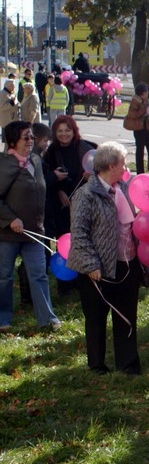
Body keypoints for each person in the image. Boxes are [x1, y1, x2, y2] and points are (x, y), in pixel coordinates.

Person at [67, 142, 142, 374]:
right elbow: (79, 232)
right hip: (97, 268)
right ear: (111, 165)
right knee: (96, 317)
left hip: (127, 263)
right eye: (123, 163)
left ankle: (128, 364)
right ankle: (97, 365)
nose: (126, 167)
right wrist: (90, 264)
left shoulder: (124, 188)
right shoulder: (86, 194)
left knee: (127, 315)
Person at [0, 121, 61, 332]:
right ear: (13, 140)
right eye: (25, 137)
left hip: (34, 230)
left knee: (39, 274)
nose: (30, 141)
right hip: (7, 234)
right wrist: (10, 219)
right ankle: (3, 319)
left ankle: (47, 318)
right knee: (4, 276)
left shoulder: (35, 160)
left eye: (32, 137)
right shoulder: (4, 163)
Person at [125, 83, 149, 175]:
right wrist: (144, 110)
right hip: (139, 128)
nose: (148, 93)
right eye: (146, 91)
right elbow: (132, 114)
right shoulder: (136, 101)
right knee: (140, 151)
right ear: (143, 93)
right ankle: (140, 172)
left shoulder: (147, 101)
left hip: (147, 127)